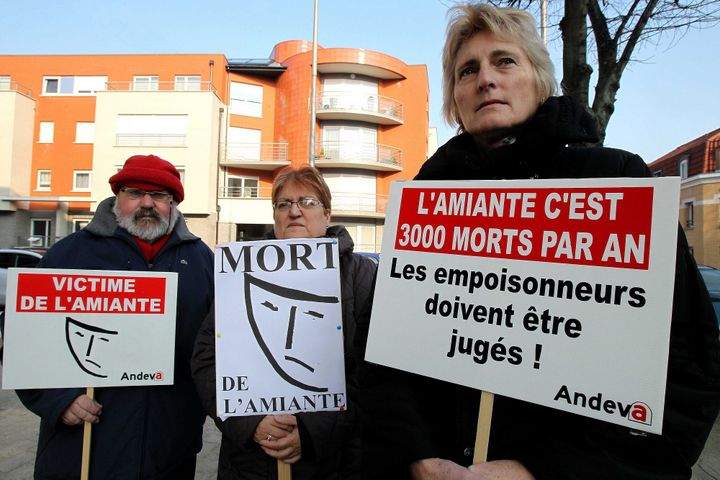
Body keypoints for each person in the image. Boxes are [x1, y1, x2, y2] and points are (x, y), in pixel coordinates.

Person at [359, 4, 720, 480]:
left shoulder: (615, 181)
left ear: (540, 78)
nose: (486, 78)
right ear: (455, 99)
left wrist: (542, 470)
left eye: (504, 61)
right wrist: (418, 457)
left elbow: (684, 370)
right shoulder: (426, 199)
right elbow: (388, 361)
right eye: (468, 70)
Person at [16, 154, 214, 479]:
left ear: (173, 203)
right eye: (135, 193)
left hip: (169, 448)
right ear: (117, 196)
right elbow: (25, 344)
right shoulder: (70, 255)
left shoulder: (201, 260)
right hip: (82, 447)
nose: (147, 204)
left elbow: (218, 345)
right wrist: (57, 400)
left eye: (160, 196)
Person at [192, 165, 377, 479]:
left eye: (307, 202)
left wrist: (310, 431)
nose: (295, 211)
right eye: (284, 204)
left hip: (332, 462)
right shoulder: (239, 274)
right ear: (275, 216)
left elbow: (374, 375)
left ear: (327, 214)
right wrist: (251, 425)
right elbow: (207, 359)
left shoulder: (362, 275)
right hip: (249, 463)